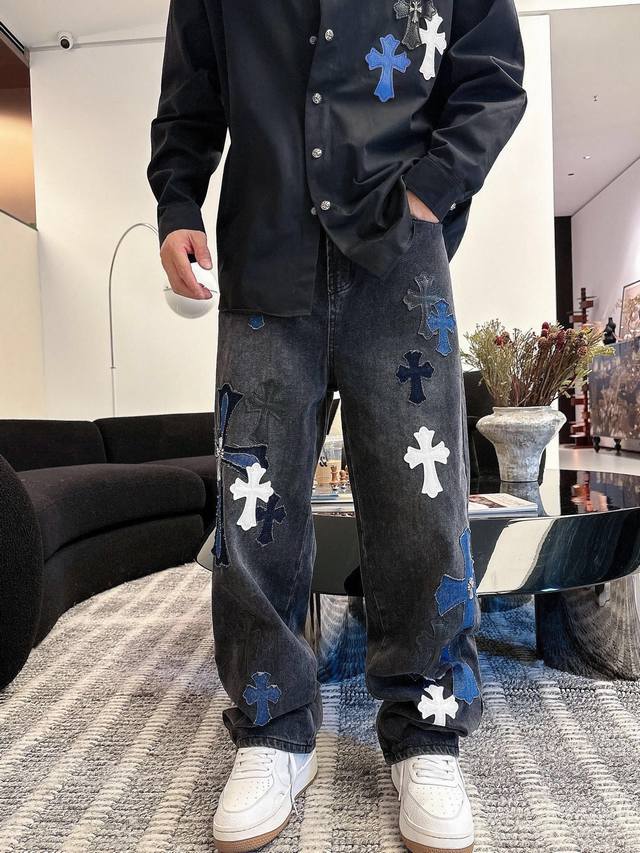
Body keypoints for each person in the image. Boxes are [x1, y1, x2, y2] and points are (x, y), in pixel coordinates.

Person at [148, 1, 527, 850]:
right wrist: (177, 203)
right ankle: (272, 725)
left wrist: (431, 191)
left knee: (422, 507)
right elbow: (191, 91)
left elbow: (492, 75)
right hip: (266, 256)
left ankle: (427, 730)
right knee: (253, 506)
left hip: (401, 264)